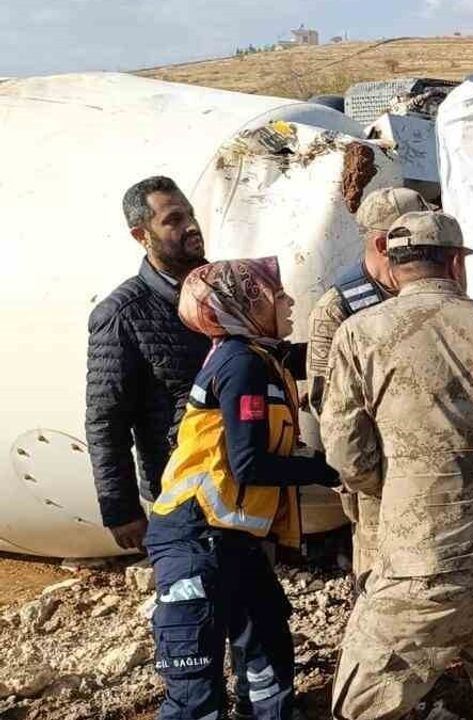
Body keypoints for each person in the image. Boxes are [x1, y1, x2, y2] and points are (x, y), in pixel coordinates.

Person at [322, 210, 473, 720]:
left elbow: (345, 453)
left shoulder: (361, 335)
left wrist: (404, 492)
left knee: (363, 707)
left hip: (419, 563)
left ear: (393, 264)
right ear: (454, 263)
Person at [144, 257, 339, 720]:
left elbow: (315, 354)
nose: (288, 301)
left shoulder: (260, 356)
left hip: (231, 538)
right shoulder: (240, 364)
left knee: (267, 643)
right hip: (196, 537)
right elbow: (249, 463)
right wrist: (325, 470)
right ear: (243, 305)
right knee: (194, 690)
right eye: (276, 294)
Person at [306, 186, 432, 585]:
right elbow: (328, 409)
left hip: (439, 471)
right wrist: (381, 474)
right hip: (382, 485)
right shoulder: (338, 309)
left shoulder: (431, 285)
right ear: (382, 242)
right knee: (385, 584)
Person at [86, 175, 209, 551]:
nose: (191, 226)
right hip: (181, 498)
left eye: (189, 213)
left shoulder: (220, 289)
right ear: (141, 235)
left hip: (243, 487)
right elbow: (107, 421)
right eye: (172, 220)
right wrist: (121, 509)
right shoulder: (123, 314)